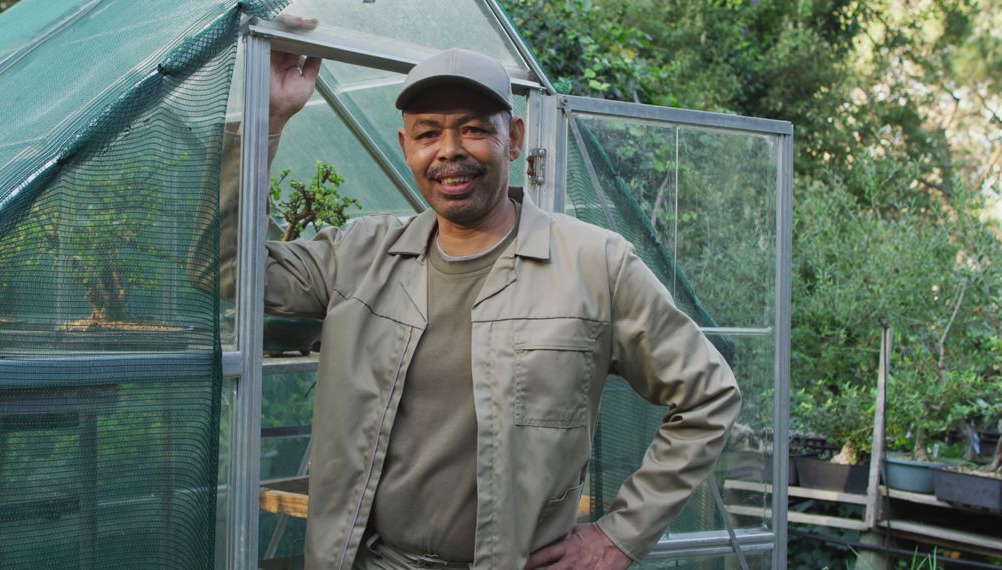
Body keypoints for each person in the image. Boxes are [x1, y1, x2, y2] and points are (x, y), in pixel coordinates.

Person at [231, 45, 741, 570]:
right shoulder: (359, 256)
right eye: (429, 134)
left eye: (474, 129)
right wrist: (265, 119)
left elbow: (708, 396)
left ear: (514, 138)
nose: (450, 150)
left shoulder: (595, 264)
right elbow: (223, 268)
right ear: (406, 146)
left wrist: (619, 536)